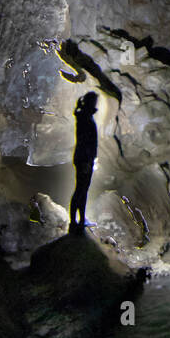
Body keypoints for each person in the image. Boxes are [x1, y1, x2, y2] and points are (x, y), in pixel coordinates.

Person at [69, 92, 98, 233]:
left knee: (82, 189)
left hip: (84, 158)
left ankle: (80, 219)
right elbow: (85, 142)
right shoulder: (85, 118)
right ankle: (74, 221)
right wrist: (87, 161)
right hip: (83, 159)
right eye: (94, 101)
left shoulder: (84, 116)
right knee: (81, 189)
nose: (96, 104)